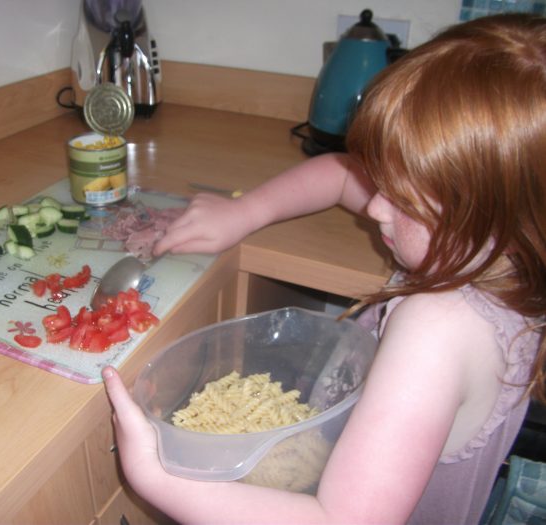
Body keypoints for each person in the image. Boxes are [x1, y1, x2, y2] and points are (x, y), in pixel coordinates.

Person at [102, 13, 546, 524]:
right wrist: (246, 212)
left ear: (494, 214)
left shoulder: (438, 329)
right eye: (383, 180)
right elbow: (339, 175)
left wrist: (154, 476)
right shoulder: (505, 254)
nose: (374, 206)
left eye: (404, 200)